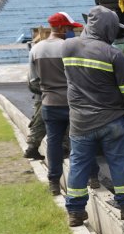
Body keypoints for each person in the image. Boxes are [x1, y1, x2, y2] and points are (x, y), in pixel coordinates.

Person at [62, 6, 124, 227]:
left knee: (78, 165)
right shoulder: (114, 54)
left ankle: (75, 212)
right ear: (108, 28)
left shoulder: (68, 47)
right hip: (112, 120)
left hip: (81, 122)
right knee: (118, 163)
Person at [30, 12, 103, 195]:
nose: (71, 32)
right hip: (74, 104)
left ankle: (54, 183)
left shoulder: (36, 49)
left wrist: (47, 92)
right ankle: (92, 177)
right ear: (62, 28)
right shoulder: (71, 47)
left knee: (53, 144)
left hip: (49, 104)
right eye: (70, 28)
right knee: (83, 141)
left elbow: (32, 82)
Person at [23, 27, 52, 160]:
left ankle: (32, 147)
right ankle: (32, 148)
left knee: (39, 122)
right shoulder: (42, 55)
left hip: (42, 94)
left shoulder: (37, 54)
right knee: (41, 121)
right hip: (47, 94)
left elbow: (31, 82)